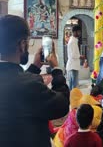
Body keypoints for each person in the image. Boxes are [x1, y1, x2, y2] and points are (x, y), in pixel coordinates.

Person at [0, 15, 70, 147]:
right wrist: (56, 69)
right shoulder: (30, 85)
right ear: (22, 45)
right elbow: (62, 104)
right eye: (28, 41)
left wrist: (34, 67)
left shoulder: (24, 83)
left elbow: (15, 84)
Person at [66, 25, 83, 90]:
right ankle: (73, 99)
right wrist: (80, 56)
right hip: (73, 66)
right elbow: (73, 55)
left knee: (72, 85)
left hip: (72, 65)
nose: (80, 33)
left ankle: (71, 98)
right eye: (79, 32)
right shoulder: (73, 41)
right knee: (74, 86)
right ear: (75, 32)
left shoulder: (74, 40)